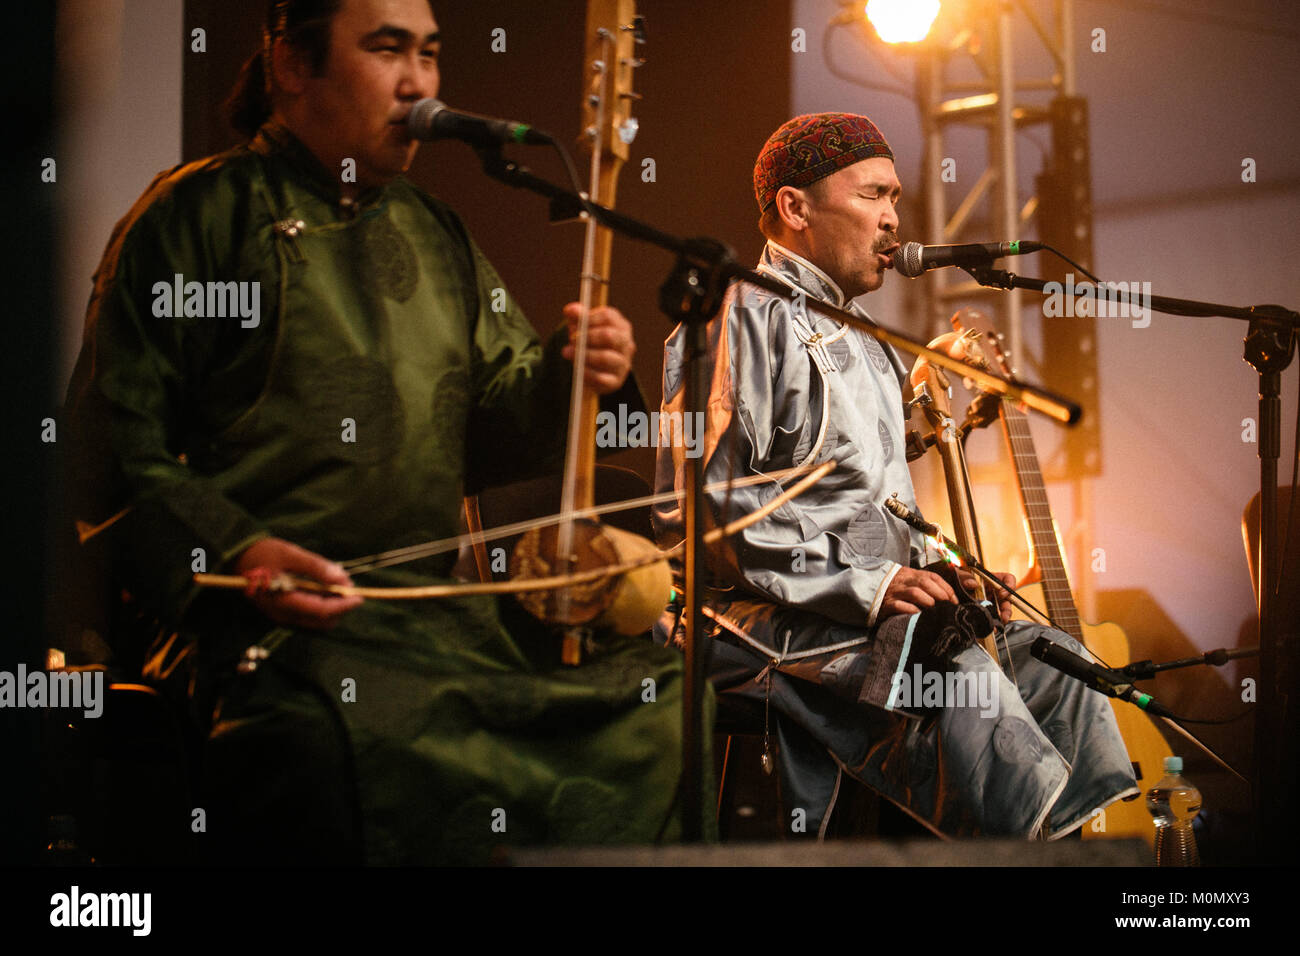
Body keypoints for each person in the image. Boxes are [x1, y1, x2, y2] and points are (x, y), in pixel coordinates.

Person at [62, 0, 696, 864]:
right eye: (388, 49)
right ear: (291, 64)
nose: (419, 82)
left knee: (659, 698)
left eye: (431, 55)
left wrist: (573, 374)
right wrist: (240, 552)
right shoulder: (194, 216)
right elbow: (110, 454)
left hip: (427, 623)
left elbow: (497, 426)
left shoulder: (435, 234)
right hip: (260, 637)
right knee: (334, 734)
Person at [652, 112, 1138, 840]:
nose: (893, 221)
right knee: (958, 680)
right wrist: (875, 584)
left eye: (898, 200)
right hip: (752, 618)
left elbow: (860, 495)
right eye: (874, 196)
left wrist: (933, 572)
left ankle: (1076, 852)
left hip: (861, 614)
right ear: (795, 207)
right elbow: (709, 511)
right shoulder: (743, 316)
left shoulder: (862, 335)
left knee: (1056, 661)